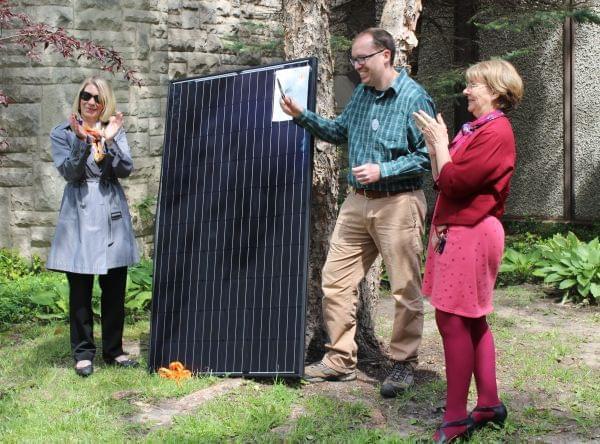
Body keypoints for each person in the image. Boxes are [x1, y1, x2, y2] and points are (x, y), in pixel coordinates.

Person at [280, 28, 435, 397]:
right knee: (335, 280)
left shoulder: (415, 98)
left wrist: (386, 169)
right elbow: (338, 131)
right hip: (357, 201)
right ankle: (340, 359)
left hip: (399, 202)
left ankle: (402, 364)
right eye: (353, 59)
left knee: (404, 288)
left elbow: (430, 155)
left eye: (361, 58)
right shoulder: (362, 95)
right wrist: (303, 116)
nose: (356, 65)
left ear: (385, 55)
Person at [413, 59, 524, 442]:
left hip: (472, 231)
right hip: (460, 230)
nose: (466, 91)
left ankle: (457, 416)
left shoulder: (496, 132)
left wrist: (442, 146)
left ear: (494, 91)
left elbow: (456, 183)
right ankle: (489, 403)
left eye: (473, 85)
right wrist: (435, 146)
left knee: (452, 321)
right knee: (471, 319)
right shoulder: (476, 129)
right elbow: (442, 178)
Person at [47, 76, 140, 377]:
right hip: (79, 209)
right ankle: (83, 353)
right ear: (79, 98)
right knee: (80, 288)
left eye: (97, 98)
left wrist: (110, 139)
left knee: (114, 286)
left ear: (105, 103)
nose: (90, 102)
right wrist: (80, 140)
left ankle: (114, 350)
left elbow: (125, 170)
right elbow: (70, 172)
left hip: (111, 209)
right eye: (86, 96)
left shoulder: (113, 129)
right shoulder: (62, 132)